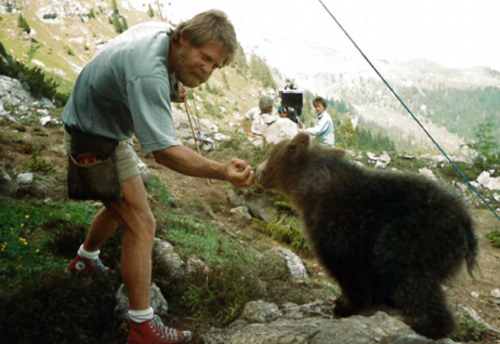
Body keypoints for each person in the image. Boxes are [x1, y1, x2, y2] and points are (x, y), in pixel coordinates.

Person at [62, 10, 254, 344]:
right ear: (182, 38)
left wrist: (172, 85)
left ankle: (84, 261)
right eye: (205, 57)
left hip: (102, 125)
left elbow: (139, 72)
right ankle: (142, 328)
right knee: (141, 223)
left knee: (124, 204)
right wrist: (221, 171)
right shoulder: (148, 72)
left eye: (216, 66)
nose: (207, 70)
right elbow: (165, 153)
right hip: (91, 135)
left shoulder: (160, 36)